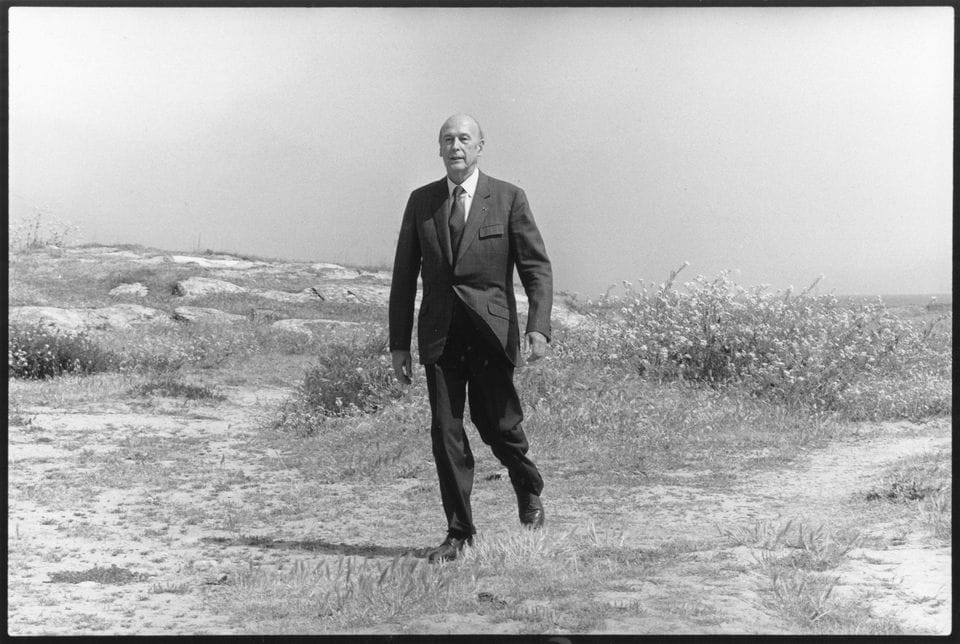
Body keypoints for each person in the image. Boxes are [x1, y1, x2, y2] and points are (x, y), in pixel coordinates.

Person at [389, 113, 553, 563]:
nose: (455, 146)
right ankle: (460, 532)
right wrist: (399, 344)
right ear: (439, 149)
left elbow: (536, 267)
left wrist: (538, 325)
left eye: (464, 138)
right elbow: (404, 277)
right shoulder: (421, 202)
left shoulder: (508, 198)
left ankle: (526, 482)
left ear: (481, 146)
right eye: (447, 139)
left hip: (490, 333)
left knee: (498, 426)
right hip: (441, 336)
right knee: (445, 430)